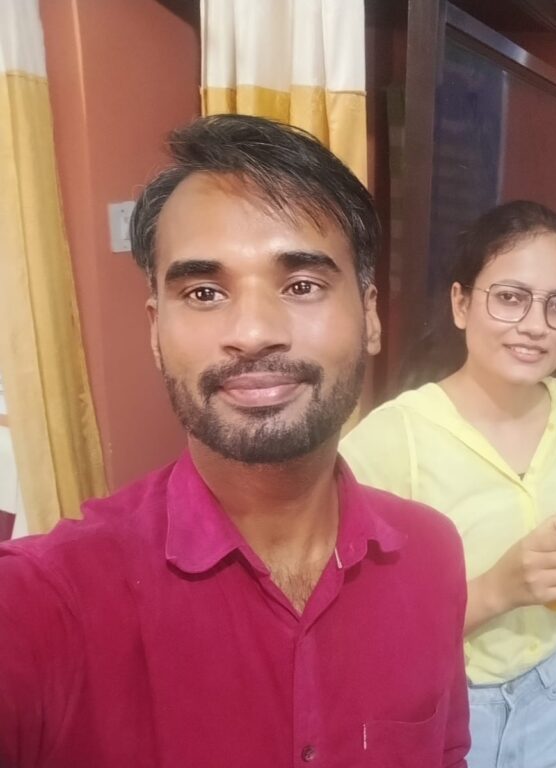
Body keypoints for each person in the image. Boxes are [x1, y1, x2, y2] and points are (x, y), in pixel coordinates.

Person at [0, 115, 470, 768]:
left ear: (369, 315)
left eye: (301, 286)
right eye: (204, 292)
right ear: (156, 331)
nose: (252, 333)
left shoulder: (431, 554)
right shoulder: (42, 602)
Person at [341, 201, 556, 768]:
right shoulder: (392, 438)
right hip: (444, 703)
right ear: (461, 304)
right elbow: (351, 627)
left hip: (551, 693)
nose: (536, 326)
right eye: (510, 297)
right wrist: (496, 590)